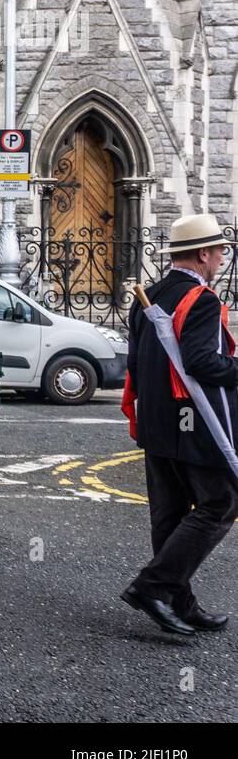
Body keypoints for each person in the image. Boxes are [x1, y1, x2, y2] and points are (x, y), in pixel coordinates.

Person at [120, 212, 238, 636]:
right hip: (192, 421)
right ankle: (153, 586)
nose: (222, 259)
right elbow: (203, 362)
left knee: (169, 514)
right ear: (203, 254)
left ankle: (179, 602)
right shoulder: (202, 301)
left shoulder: (148, 294)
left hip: (156, 419)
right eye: (220, 251)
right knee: (220, 503)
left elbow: (134, 361)